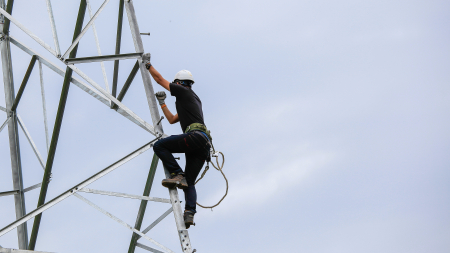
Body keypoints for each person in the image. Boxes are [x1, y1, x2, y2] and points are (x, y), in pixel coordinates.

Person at [142, 53, 211, 228]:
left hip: (195, 136)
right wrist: (163, 103)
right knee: (189, 182)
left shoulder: (183, 91)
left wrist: (148, 65)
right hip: (202, 144)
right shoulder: (191, 100)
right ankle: (189, 213)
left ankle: (177, 174)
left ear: (179, 83)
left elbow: (159, 80)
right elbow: (173, 119)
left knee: (159, 145)